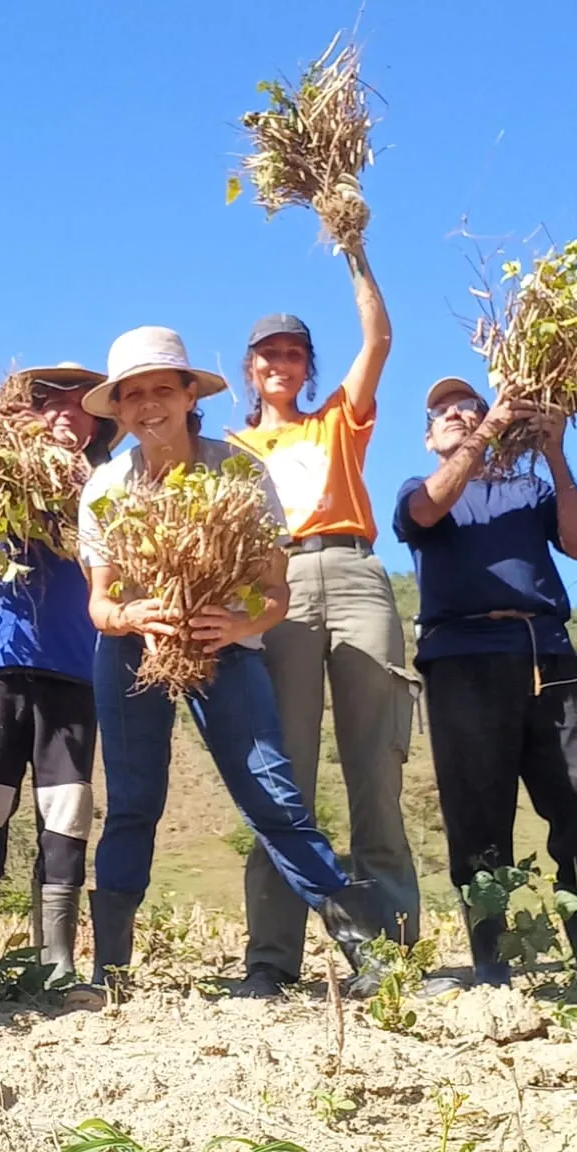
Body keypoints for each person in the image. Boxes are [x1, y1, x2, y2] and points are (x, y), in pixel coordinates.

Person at [77, 325, 393, 996]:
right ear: (119, 409)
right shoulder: (105, 488)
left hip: (226, 647)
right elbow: (100, 604)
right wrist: (133, 618)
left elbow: (275, 589)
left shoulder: (240, 473)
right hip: (132, 650)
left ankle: (367, 954)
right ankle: (110, 971)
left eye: (163, 389)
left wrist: (238, 624)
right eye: (133, 395)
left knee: (273, 795)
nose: (149, 406)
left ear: (190, 395)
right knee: (133, 803)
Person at [227, 248, 427, 998]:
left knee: (375, 766)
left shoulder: (338, 420)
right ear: (250, 370)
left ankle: (393, 953)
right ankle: (270, 959)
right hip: (272, 587)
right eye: (268, 354)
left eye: (293, 354)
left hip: (352, 572)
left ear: (308, 368)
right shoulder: (231, 451)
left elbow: (378, 339)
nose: (280, 363)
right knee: (283, 776)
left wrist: (354, 251)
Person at [393, 376, 577, 989]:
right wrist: (488, 430)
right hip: (461, 657)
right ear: (428, 438)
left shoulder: (530, 488)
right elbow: (425, 512)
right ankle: (492, 968)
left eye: (468, 406)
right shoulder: (419, 488)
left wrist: (555, 453)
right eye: (442, 411)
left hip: (545, 652)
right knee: (477, 812)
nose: (457, 414)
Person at [0, 364, 119, 986]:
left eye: (80, 406)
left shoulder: (110, 492)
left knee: (67, 811)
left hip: (74, 668)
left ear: (99, 424)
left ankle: (57, 963)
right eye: (50, 403)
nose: (65, 416)